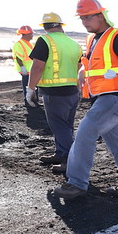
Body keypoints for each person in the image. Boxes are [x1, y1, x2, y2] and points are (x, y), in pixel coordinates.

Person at [54, 0, 118, 199]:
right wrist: (82, 74)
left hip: (115, 98)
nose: (84, 21)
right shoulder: (92, 40)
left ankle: (76, 183)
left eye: (88, 17)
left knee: (85, 133)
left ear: (100, 15)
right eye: (81, 18)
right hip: (102, 98)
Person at [27, 13, 83, 174]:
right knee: (66, 126)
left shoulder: (44, 40)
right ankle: (61, 153)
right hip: (72, 91)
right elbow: (80, 65)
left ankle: (71, 162)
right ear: (60, 25)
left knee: (59, 126)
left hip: (55, 93)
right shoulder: (74, 44)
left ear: (44, 27)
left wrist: (30, 89)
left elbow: (37, 67)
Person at [12, 25, 36, 107]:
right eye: (31, 33)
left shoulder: (29, 44)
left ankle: (34, 102)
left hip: (32, 70)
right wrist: (22, 68)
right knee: (27, 87)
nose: (32, 35)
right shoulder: (18, 44)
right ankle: (28, 103)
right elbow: (18, 57)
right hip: (26, 70)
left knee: (33, 87)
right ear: (26, 34)